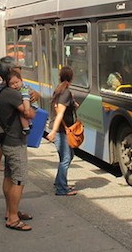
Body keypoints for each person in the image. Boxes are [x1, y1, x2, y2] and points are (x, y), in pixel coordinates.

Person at [0, 56, 36, 231]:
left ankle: (10, 211)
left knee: (8, 176)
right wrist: (31, 109)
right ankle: (13, 218)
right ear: (10, 72)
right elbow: (28, 114)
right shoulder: (13, 93)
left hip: (7, 140)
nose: (20, 70)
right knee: (19, 180)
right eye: (17, 68)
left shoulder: (4, 91)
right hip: (15, 141)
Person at [46, 66, 79, 196]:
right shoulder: (65, 92)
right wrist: (54, 131)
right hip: (61, 131)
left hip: (60, 130)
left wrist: (73, 104)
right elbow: (60, 113)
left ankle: (59, 181)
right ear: (71, 77)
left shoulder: (60, 90)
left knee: (68, 156)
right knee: (66, 158)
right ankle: (61, 188)